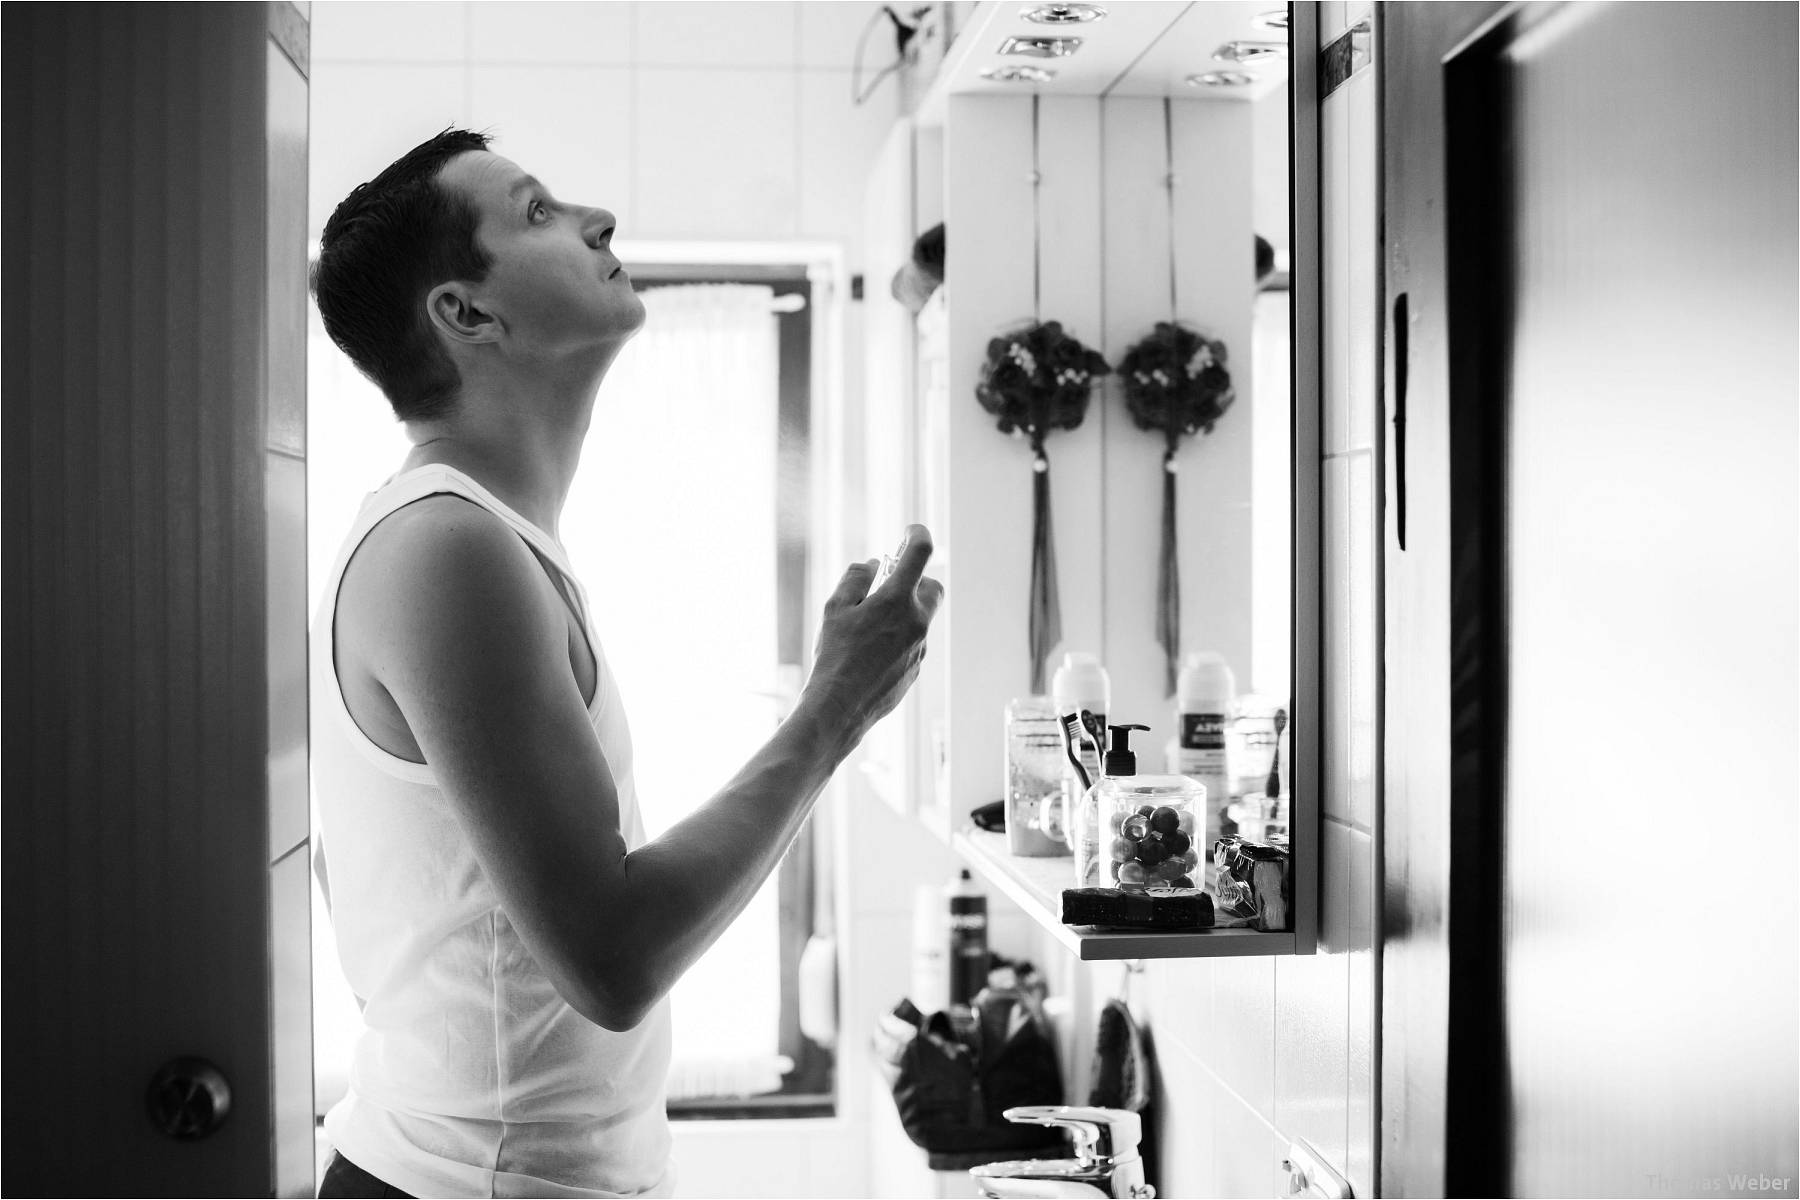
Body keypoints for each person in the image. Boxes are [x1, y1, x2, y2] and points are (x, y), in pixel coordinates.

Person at [307, 127, 942, 1199]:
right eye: (538, 212)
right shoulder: (443, 548)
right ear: (466, 314)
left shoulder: (494, 543)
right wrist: (835, 708)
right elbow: (611, 960)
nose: (596, 218)